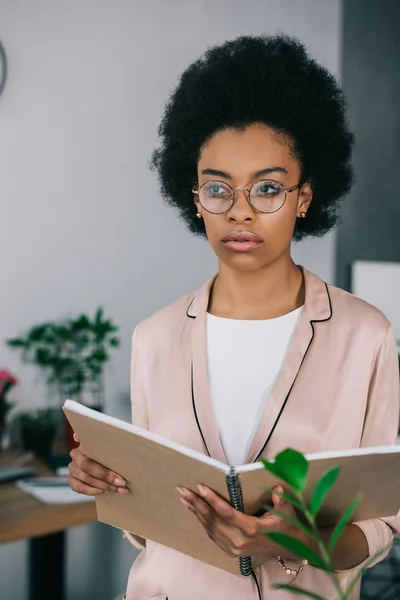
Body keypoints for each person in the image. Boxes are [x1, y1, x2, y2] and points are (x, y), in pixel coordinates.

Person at [68, 35, 400, 600]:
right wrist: (107, 481)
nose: (240, 210)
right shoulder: (155, 338)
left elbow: (383, 524)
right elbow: (144, 526)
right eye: (218, 188)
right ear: (195, 198)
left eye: (268, 188)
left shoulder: (365, 335)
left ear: (305, 196)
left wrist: (295, 539)